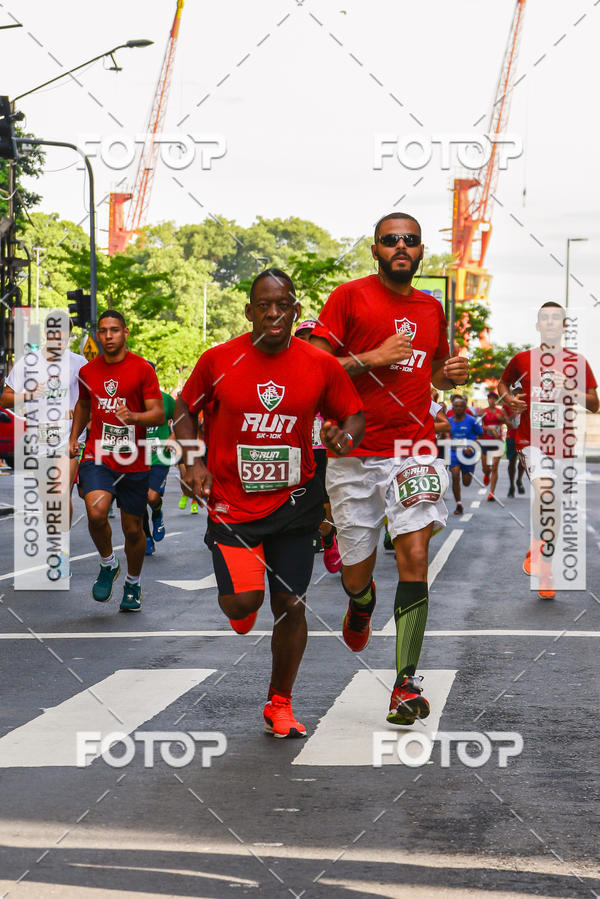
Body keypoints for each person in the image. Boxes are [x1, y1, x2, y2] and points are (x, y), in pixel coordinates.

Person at [174, 269, 364, 738]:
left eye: (283, 305)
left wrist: (343, 439)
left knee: (292, 605)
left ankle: (280, 702)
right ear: (249, 311)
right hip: (232, 505)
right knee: (243, 606)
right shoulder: (218, 360)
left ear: (296, 310)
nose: (274, 313)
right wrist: (192, 459)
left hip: (295, 502)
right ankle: (242, 607)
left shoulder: (321, 365)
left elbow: (354, 415)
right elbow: (183, 410)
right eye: (264, 304)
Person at [310, 211, 468, 725]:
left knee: (415, 555)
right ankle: (361, 602)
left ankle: (405, 685)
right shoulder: (348, 297)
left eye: (411, 241)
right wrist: (373, 356)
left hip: (413, 448)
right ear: (375, 250)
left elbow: (436, 374)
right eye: (390, 240)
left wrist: (450, 373)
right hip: (353, 452)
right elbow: (314, 368)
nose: (401, 247)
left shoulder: (431, 307)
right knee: (355, 572)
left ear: (422, 252)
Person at [498, 301, 598, 599]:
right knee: (545, 493)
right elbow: (503, 385)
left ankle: (544, 562)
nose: (551, 323)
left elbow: (594, 405)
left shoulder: (577, 363)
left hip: (563, 445)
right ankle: (542, 556)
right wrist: (509, 400)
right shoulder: (522, 359)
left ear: (564, 326)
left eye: (557, 319)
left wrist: (570, 387)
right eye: (546, 318)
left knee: (552, 506)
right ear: (539, 325)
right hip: (531, 441)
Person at [69, 310, 164, 611]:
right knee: (96, 513)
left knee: (133, 530)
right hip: (98, 455)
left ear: (125, 332)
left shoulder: (142, 369)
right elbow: (83, 405)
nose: (108, 336)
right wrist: (75, 437)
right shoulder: (88, 372)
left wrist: (133, 416)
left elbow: (158, 413)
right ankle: (108, 563)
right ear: (98, 335)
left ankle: (133, 584)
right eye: (102, 331)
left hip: (133, 460)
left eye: (114, 330)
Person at [1, 312, 86, 578]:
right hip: (40, 437)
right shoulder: (28, 364)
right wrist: (29, 394)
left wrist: (78, 412)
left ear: (69, 335)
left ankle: (60, 552)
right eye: (51, 332)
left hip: (70, 437)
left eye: (62, 332)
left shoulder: (79, 364)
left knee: (61, 493)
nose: (56, 337)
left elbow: (90, 399)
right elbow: (5, 399)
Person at [295, 318, 342, 572]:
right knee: (298, 499)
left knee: (325, 504)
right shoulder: (286, 370)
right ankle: (305, 538)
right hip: (296, 448)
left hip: (324, 449)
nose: (306, 342)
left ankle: (328, 538)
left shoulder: (330, 370)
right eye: (301, 337)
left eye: (312, 337)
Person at [143, 372, 176, 555]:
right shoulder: (130, 401)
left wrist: (174, 435)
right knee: (138, 502)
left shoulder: (165, 400)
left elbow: (183, 417)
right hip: (135, 458)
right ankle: (146, 537)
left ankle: (157, 513)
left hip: (159, 457)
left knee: (151, 496)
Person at [448, 394, 483, 515]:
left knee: (466, 482)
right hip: (453, 452)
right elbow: (445, 436)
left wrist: (472, 448)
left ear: (465, 408)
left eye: (460, 406)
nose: (458, 408)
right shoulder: (449, 421)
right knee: (455, 474)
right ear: (452, 408)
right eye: (455, 406)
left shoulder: (472, 421)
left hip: (468, 454)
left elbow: (480, 436)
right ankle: (459, 504)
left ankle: (468, 472)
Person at [479, 391, 510, 502]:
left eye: (494, 398)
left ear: (497, 400)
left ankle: (492, 492)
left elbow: (508, 422)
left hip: (497, 442)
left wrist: (502, 419)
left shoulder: (500, 411)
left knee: (495, 468)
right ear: (488, 400)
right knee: (485, 468)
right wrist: (489, 429)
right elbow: (478, 425)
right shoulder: (483, 411)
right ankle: (486, 474)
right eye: (490, 398)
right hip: (486, 442)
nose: (492, 400)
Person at [506, 423, 525, 497]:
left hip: (524, 435)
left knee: (523, 461)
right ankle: (511, 486)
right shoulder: (509, 410)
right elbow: (506, 421)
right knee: (512, 461)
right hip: (511, 436)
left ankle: (519, 480)